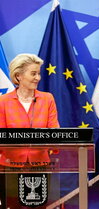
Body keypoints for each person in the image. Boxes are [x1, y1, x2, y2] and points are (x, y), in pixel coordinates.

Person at [0, 53, 60, 208]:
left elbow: (54, 130)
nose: (38, 78)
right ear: (18, 76)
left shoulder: (47, 99)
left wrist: (53, 146)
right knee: (12, 205)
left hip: (39, 164)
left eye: (38, 73)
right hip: (10, 165)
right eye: (33, 73)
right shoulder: (3, 102)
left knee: (38, 205)